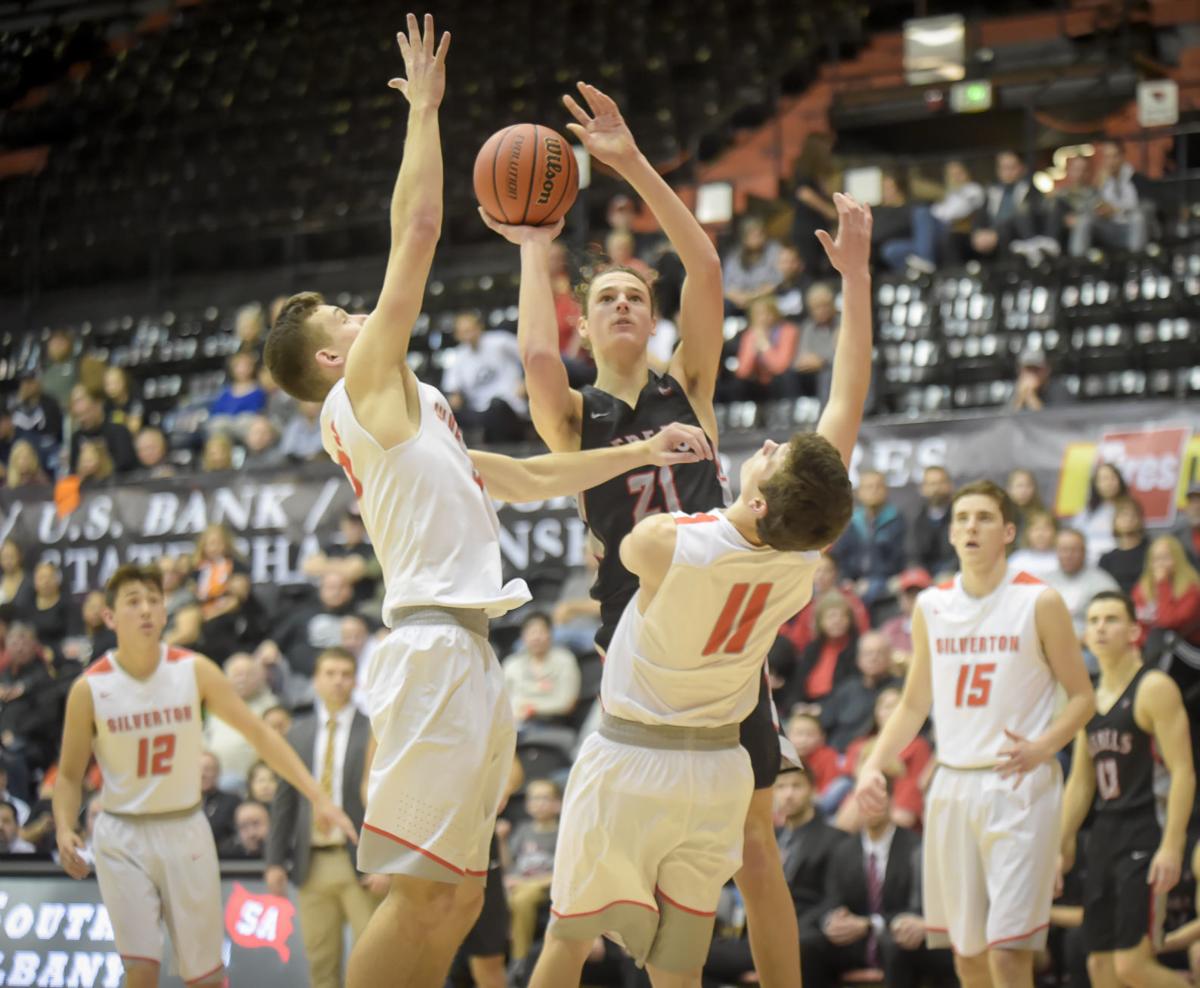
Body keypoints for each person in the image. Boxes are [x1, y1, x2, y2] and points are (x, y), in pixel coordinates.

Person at [262, 20, 714, 987]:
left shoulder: (416, 408)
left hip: (468, 650)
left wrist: (636, 448)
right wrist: (424, 112)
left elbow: (518, 479)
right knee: (424, 896)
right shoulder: (364, 387)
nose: (361, 313)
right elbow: (417, 231)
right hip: (429, 647)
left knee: (461, 899)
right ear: (334, 358)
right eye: (345, 317)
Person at [484, 84, 850, 988]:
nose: (620, 305)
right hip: (641, 634)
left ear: (652, 319)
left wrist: (630, 161)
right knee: (619, 893)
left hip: (720, 627)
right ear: (585, 318)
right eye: (604, 296)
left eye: (634, 296)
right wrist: (536, 250)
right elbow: (535, 359)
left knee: (756, 848)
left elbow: (708, 269)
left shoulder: (688, 381)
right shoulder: (575, 414)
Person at [52, 564, 357, 988]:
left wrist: (318, 796)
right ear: (109, 617)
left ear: (165, 614)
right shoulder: (90, 688)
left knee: (208, 978)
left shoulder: (193, 670)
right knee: (141, 971)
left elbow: (259, 734)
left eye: (154, 601)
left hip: (186, 827)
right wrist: (65, 827)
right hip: (122, 834)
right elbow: (68, 777)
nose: (145, 610)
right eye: (133, 602)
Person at [855, 479, 1095, 988]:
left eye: (984, 517)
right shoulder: (931, 607)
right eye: (962, 517)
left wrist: (1044, 746)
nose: (970, 526)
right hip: (952, 787)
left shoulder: (1039, 601)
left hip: (1018, 786)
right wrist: (873, 763)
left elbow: (1082, 698)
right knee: (965, 956)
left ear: (1009, 530)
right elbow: (916, 702)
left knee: (1008, 953)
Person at [1058, 592, 1193, 988]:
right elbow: (1081, 782)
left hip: (1146, 830)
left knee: (1131, 966)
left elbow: (1184, 771)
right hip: (1104, 835)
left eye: (1112, 619)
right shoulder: (1087, 696)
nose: (1100, 627)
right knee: (1100, 968)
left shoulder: (1154, 687)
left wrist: (1172, 845)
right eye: (1094, 619)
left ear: (1134, 630)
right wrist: (1060, 842)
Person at [266, 647, 382, 988]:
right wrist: (275, 861)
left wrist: (386, 861)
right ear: (316, 680)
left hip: (361, 863)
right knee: (320, 963)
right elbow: (284, 801)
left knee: (372, 964)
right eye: (330, 673)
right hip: (311, 862)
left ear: (355, 681)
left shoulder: (373, 730)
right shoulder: (298, 733)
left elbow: (385, 801)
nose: (338, 681)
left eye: (346, 674)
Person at [807, 774, 956, 988]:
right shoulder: (843, 850)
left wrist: (871, 924)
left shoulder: (916, 847)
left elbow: (916, 909)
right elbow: (833, 899)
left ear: (892, 801)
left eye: (878, 797)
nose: (871, 804)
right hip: (856, 941)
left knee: (894, 944)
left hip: (896, 936)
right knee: (809, 945)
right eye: (865, 797)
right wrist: (832, 919)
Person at [440, 311, 528, 444]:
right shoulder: (458, 357)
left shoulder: (501, 342)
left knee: (496, 406)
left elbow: (531, 357)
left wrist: (526, 382)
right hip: (481, 412)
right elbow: (453, 392)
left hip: (509, 405)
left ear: (479, 327)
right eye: (464, 332)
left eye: (470, 329)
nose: (468, 335)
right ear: (457, 335)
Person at [1044, 528, 1120, 639]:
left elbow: (1114, 621)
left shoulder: (1103, 583)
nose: (1068, 555)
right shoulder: (1044, 582)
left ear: (1084, 552)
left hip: (1088, 646)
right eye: (1063, 550)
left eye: (1074, 550)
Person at [907, 465, 956, 578]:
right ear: (922, 488)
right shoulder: (915, 518)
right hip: (923, 575)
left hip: (953, 573)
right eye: (931, 484)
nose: (936, 488)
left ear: (950, 486)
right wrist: (921, 574)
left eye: (941, 483)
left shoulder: (960, 515)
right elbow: (911, 554)